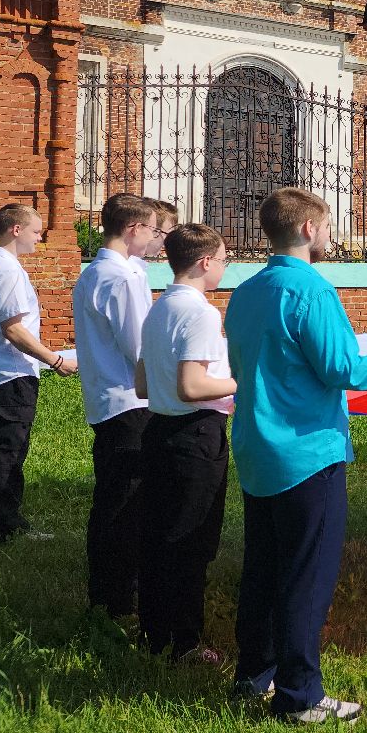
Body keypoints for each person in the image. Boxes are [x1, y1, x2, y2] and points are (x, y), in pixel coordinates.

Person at [227, 188, 367, 724]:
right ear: (307, 229)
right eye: (327, 226)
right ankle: (299, 696)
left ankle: (254, 676)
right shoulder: (312, 292)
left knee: (262, 569)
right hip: (306, 454)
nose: (330, 235)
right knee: (306, 575)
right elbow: (343, 369)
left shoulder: (244, 292)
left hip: (256, 448)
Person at [136, 223, 236, 664]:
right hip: (195, 435)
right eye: (224, 259)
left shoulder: (159, 307)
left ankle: (154, 634)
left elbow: (142, 384)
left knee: (159, 536)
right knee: (190, 542)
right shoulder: (200, 312)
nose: (225, 267)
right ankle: (185, 643)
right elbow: (192, 387)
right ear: (204, 262)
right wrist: (244, 382)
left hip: (159, 430)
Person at [72, 194, 161, 617]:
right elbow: (140, 348)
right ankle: (116, 598)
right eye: (152, 229)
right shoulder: (121, 279)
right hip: (130, 400)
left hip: (108, 397)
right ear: (133, 229)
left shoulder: (96, 271)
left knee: (113, 497)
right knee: (126, 502)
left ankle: (107, 592)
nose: (154, 237)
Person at [0, 203, 76, 543]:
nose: (39, 237)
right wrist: (55, 360)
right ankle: (6, 526)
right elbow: (14, 330)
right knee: (8, 451)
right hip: (10, 373)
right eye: (35, 230)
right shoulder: (7, 270)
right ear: (15, 230)